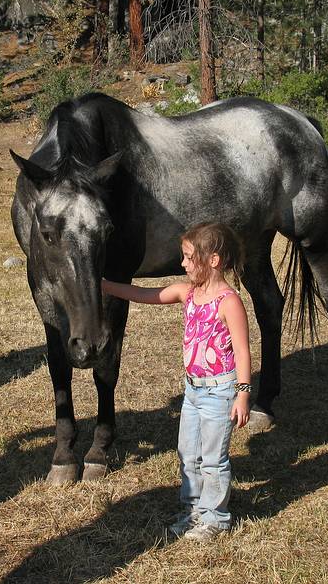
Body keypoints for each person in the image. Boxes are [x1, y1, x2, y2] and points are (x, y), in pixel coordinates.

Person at [102, 222, 252, 541]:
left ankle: (216, 518)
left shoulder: (229, 302)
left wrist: (243, 393)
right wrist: (105, 286)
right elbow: (146, 294)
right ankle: (194, 510)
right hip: (193, 391)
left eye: (187, 258)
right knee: (188, 453)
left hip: (220, 392)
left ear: (212, 260)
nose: (182, 264)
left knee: (213, 459)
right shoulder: (188, 293)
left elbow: (242, 350)